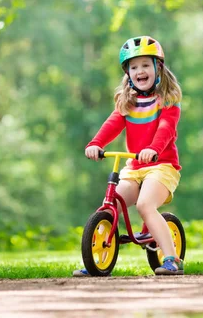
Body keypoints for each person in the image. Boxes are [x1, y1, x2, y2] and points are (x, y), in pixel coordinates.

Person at [73, 35, 184, 276]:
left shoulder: (167, 102)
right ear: (127, 73)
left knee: (145, 205)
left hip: (162, 166)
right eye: (134, 67)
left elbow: (166, 129)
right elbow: (112, 124)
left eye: (145, 65)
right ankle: (95, 259)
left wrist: (153, 149)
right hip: (134, 167)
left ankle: (171, 259)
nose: (140, 71)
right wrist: (96, 143)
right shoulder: (127, 103)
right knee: (109, 204)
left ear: (158, 68)